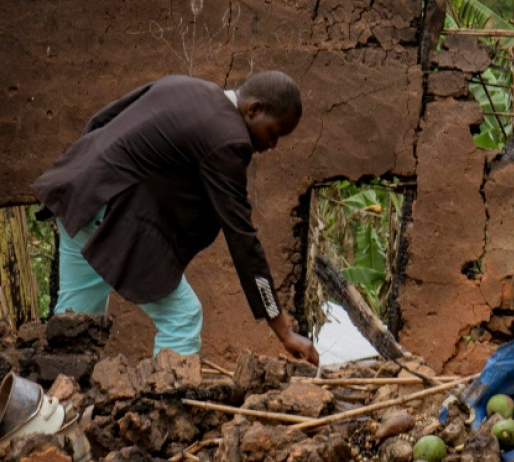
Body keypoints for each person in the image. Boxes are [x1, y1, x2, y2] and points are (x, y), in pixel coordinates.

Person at [31, 71, 319, 366]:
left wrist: (87, 183)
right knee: (183, 316)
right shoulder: (229, 139)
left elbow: (103, 118)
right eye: (273, 133)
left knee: (75, 327)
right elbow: (241, 236)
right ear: (254, 109)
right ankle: (165, 406)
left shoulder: (184, 86)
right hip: (108, 216)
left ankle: (56, 406)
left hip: (79, 197)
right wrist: (283, 330)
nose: (272, 146)